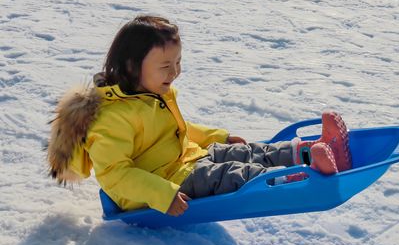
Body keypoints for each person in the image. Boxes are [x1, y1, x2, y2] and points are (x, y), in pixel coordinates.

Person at [47, 15, 352, 216]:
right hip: (163, 183)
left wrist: (216, 137)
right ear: (131, 66)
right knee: (233, 174)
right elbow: (115, 175)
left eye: (177, 63)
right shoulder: (110, 120)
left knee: (246, 151)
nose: (175, 72)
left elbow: (177, 130)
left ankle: (311, 152)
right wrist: (162, 194)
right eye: (166, 66)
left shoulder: (154, 93)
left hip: (187, 159)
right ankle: (298, 177)